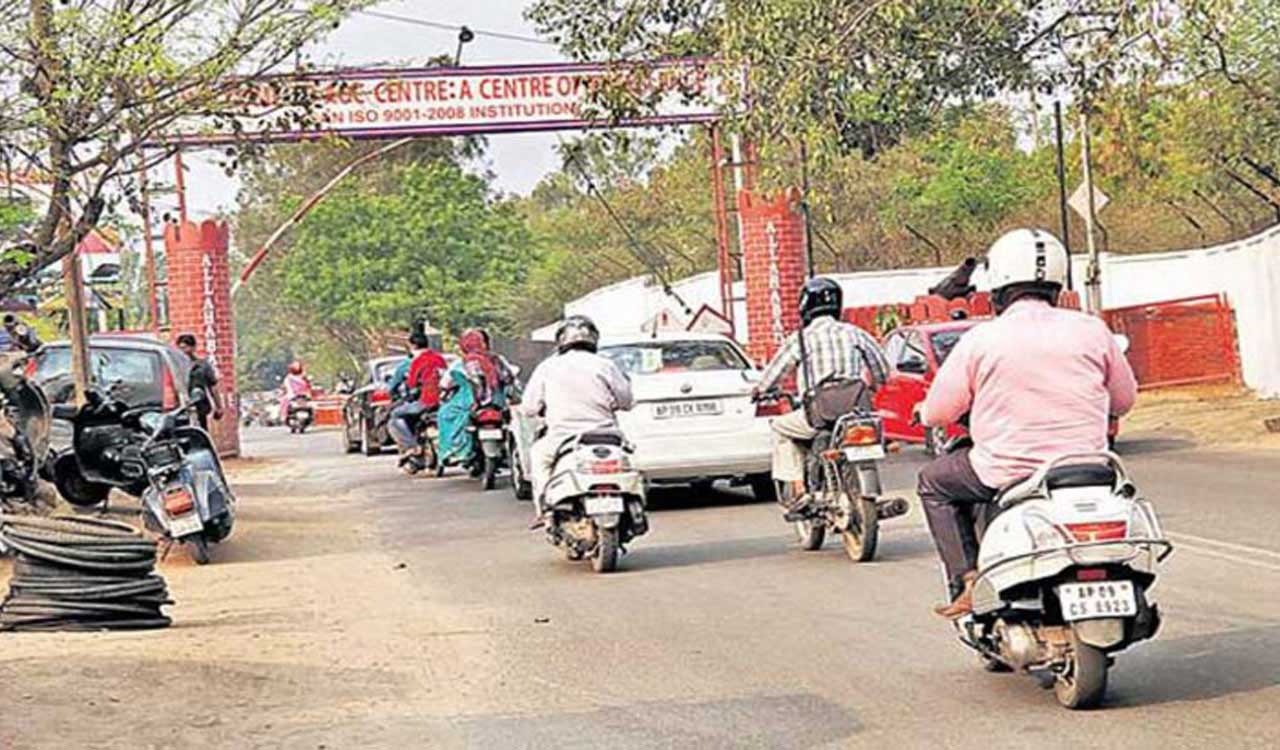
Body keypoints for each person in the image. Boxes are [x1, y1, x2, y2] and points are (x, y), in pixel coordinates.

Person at [918, 228, 1138, 619]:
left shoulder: (982, 339)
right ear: (1056, 284)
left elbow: (936, 414)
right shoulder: (1092, 329)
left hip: (1005, 470)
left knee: (933, 482)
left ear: (998, 287)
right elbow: (1123, 401)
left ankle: (968, 580)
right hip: (1090, 471)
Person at [753, 277, 890, 516]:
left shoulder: (801, 339)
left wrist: (759, 391)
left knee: (780, 428)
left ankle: (798, 489)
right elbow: (882, 371)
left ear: (805, 306)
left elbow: (772, 375)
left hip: (820, 413)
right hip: (857, 413)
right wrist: (874, 386)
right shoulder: (856, 333)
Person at [520, 315, 633, 502]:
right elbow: (626, 401)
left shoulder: (547, 367)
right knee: (629, 458)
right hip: (607, 435)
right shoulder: (606, 365)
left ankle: (544, 507)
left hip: (561, 438)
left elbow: (529, 408)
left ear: (561, 340)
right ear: (594, 339)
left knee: (538, 456)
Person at [437, 329, 496, 470]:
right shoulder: (496, 360)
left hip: (468, 404)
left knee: (443, 415)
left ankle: (454, 451)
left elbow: (445, 384)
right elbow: (510, 378)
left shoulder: (460, 364)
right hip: (496, 403)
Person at [387, 331, 448, 468]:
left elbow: (411, 384)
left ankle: (411, 447)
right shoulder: (439, 358)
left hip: (426, 401)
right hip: (444, 401)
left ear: (412, 345)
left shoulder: (417, 361)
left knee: (395, 415)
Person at [175, 333, 224, 432]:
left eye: (185, 348)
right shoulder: (175, 366)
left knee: (201, 431)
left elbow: (213, 387)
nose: (182, 351)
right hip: (180, 406)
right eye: (180, 348)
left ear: (193, 348)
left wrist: (219, 407)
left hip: (199, 405)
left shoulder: (202, 366)